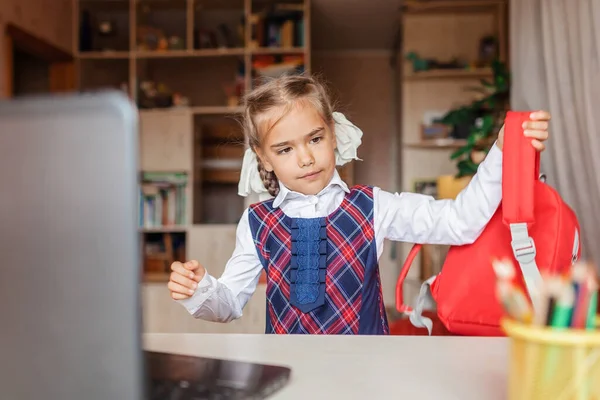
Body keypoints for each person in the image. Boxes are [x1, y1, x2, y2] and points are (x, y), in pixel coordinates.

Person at [167, 74, 550, 334]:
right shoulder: (255, 223)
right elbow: (229, 303)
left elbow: (459, 222)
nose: (305, 158)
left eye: (314, 139)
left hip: (367, 378)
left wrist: (502, 151)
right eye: (285, 149)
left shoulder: (373, 206)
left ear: (333, 135)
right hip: (289, 379)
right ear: (263, 158)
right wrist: (200, 289)